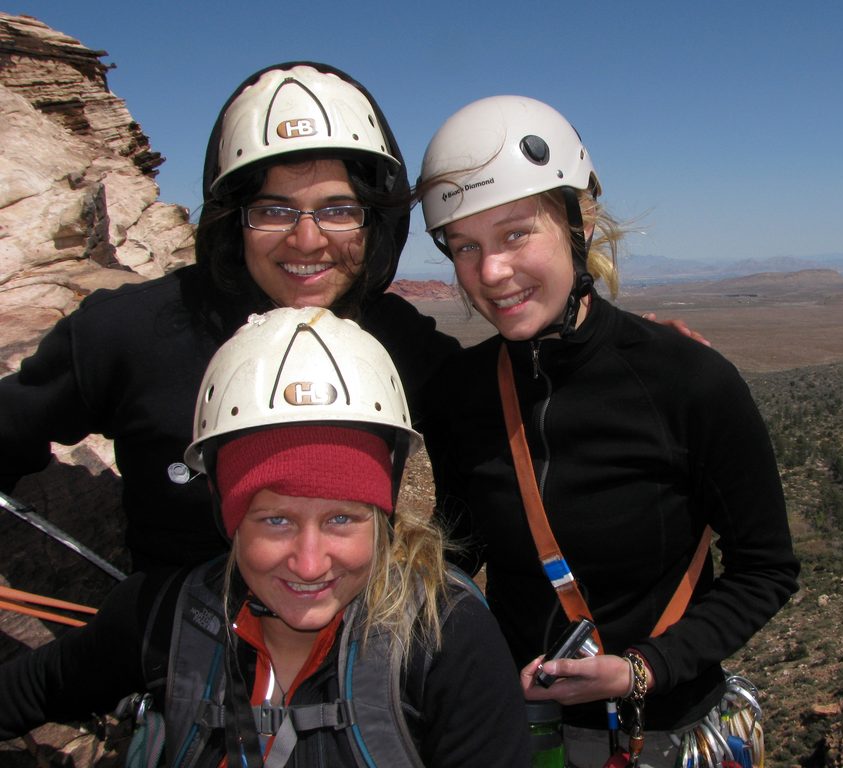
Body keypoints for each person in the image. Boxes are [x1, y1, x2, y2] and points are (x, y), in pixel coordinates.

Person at [417, 96, 800, 766]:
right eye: (465, 247)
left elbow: (765, 569)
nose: (491, 273)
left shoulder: (688, 382)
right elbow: (458, 557)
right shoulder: (457, 392)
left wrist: (641, 670)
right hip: (523, 735)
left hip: (665, 730)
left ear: (579, 221)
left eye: (514, 234)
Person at [0, 307, 531, 767]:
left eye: (341, 519)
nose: (308, 563)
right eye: (275, 520)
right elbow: (33, 689)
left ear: (382, 515)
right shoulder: (164, 618)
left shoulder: (444, 640)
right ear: (227, 516)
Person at [0, 61, 459, 571]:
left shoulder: (402, 341)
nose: (307, 240)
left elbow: (498, 459)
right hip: (171, 642)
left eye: (337, 209)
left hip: (350, 646)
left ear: (375, 220)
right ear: (232, 220)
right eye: (274, 210)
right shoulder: (128, 333)